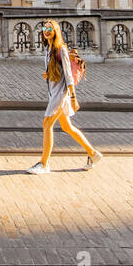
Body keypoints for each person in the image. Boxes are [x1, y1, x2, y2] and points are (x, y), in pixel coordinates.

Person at [27, 20, 101, 174]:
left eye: (50, 28)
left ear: (56, 31)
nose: (47, 31)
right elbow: (58, 72)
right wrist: (48, 75)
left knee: (47, 125)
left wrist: (73, 97)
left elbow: (68, 76)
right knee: (67, 127)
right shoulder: (49, 48)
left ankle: (44, 163)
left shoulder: (61, 49)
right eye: (45, 28)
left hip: (61, 95)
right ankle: (93, 154)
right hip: (54, 93)